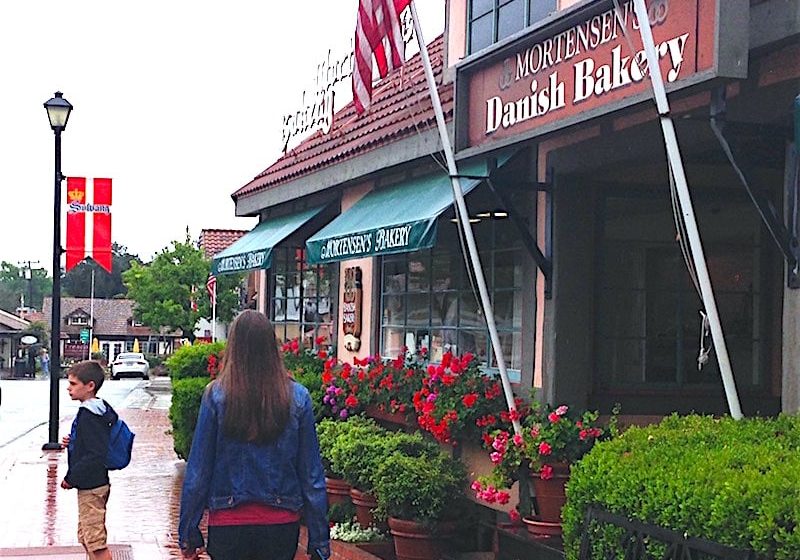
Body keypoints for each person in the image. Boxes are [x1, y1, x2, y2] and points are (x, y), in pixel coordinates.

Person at [178, 310, 330, 560]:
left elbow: (199, 471)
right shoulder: (297, 397)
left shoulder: (216, 396)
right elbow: (311, 475)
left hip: (227, 523)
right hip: (280, 524)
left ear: (234, 346)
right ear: (272, 347)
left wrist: (188, 533)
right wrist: (319, 540)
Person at [60, 361, 119, 560]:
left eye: (73, 384)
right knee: (86, 537)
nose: (69, 388)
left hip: (91, 485)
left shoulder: (89, 415)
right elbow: (93, 443)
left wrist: (71, 477)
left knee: (95, 542)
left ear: (90, 386)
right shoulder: (97, 410)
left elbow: (95, 453)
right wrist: (74, 442)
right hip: (93, 484)